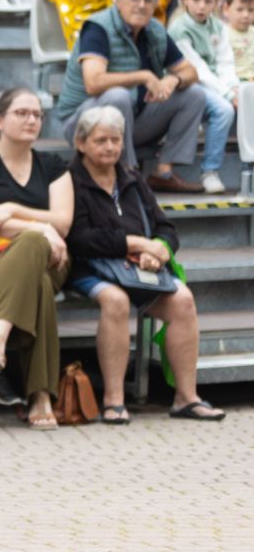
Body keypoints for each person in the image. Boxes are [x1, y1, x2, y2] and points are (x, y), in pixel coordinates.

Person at [65, 105, 225, 423]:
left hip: (139, 268)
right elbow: (79, 237)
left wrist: (160, 251)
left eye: (116, 139)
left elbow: (165, 227)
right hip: (89, 266)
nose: (110, 147)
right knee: (116, 300)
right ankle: (114, 399)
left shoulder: (132, 178)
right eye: (101, 140)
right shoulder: (70, 181)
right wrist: (135, 244)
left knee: (182, 300)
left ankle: (186, 397)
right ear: (81, 144)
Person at [0, 87, 71, 429]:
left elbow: (63, 223)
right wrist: (42, 229)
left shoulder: (53, 165)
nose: (31, 119)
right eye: (21, 113)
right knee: (40, 288)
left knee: (36, 250)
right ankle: (41, 395)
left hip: (52, 258)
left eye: (37, 114)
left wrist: (15, 209)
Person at [53, 0, 207, 193]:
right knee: (118, 96)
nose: (142, 5)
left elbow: (190, 72)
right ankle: (127, 173)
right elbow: (93, 82)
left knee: (194, 94)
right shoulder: (98, 28)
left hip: (130, 121)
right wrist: (144, 76)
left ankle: (163, 172)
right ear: (118, 0)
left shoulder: (154, 30)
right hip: (82, 122)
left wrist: (172, 80)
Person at [165, 0, 238, 196]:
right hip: (189, 84)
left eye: (208, 1)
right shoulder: (179, 28)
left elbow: (225, 61)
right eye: (196, 0)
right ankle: (210, 171)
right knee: (224, 110)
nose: (201, 6)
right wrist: (227, 94)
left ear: (216, 3)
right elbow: (198, 69)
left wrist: (234, 86)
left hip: (214, 82)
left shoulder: (218, 26)